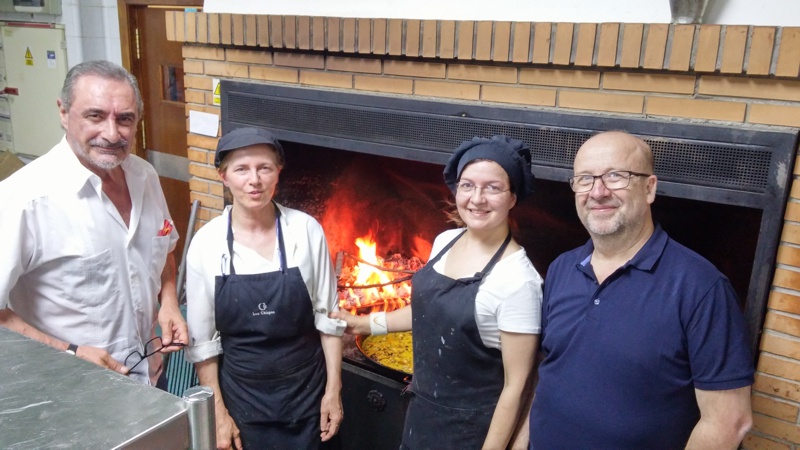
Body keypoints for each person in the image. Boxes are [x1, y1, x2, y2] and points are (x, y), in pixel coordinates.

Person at [529, 131, 755, 449]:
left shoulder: (701, 288)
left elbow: (729, 422)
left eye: (616, 176)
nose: (598, 191)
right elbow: (546, 373)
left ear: (649, 188)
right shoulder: (561, 268)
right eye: (584, 179)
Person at [332, 135, 542, 450]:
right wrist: (367, 324)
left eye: (493, 187)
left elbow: (516, 387)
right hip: (422, 412)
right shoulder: (447, 240)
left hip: (470, 431)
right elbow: (431, 308)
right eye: (467, 185)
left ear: (513, 197)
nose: (477, 198)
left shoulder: (518, 282)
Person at [0, 60, 188, 387]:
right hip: (71, 391)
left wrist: (168, 302)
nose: (112, 134)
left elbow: (165, 250)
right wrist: (69, 352)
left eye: (125, 119)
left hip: (151, 378)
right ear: (63, 112)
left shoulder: (145, 176)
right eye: (95, 116)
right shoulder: (24, 199)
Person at [185, 127, 345, 450]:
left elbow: (330, 319)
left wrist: (333, 391)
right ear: (223, 176)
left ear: (278, 173)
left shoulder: (306, 230)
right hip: (242, 403)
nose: (254, 180)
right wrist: (218, 413)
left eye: (264, 168)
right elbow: (203, 344)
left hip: (307, 398)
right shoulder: (206, 244)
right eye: (241, 169)